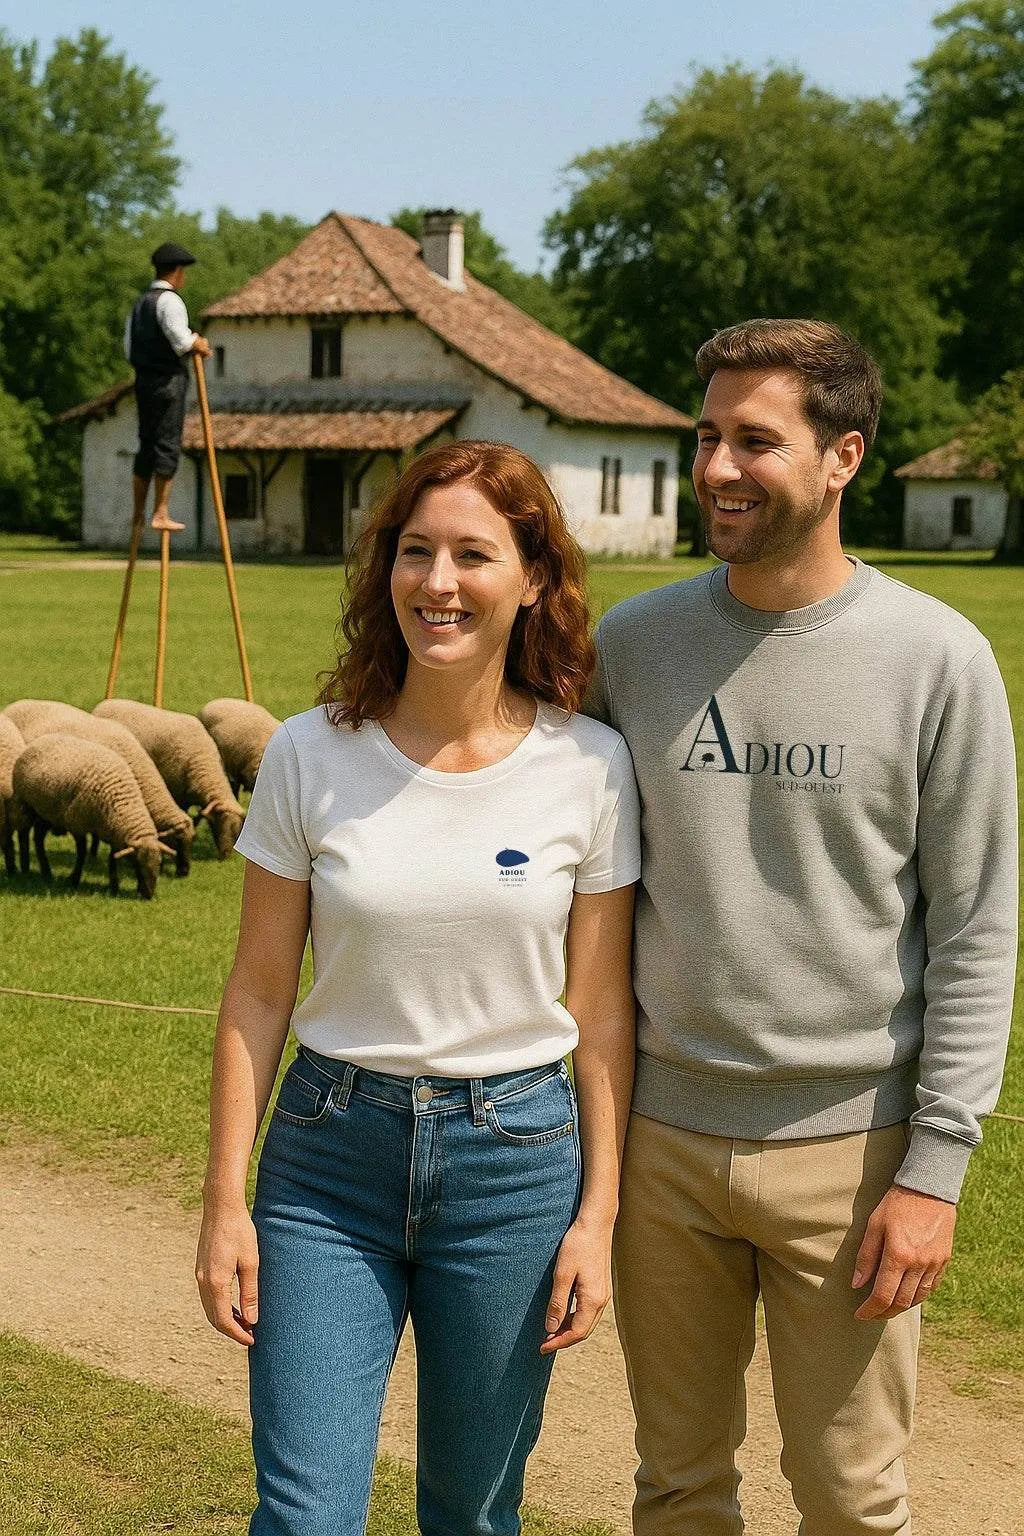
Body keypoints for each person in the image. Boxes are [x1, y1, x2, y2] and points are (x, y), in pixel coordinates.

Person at [587, 318, 1018, 1536]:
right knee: (674, 1490)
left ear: (843, 457)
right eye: (707, 436)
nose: (717, 466)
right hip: (662, 1143)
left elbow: (980, 929)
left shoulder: (937, 659)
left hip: (856, 1154)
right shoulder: (633, 645)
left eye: (755, 441)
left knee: (848, 1499)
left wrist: (933, 1173)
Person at [196, 440, 640, 1536]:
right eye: (414, 551)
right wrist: (221, 1202)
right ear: (384, 569)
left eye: (472, 555)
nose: (437, 582)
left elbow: (600, 1017)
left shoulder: (590, 766)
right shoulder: (308, 755)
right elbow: (256, 993)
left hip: (516, 1169)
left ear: (532, 578)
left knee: (472, 1512)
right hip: (325, 1164)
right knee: (303, 1516)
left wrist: (597, 1215)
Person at [125, 240, 212, 534]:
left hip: (143, 381)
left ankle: (138, 513)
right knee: (167, 443)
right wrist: (198, 343)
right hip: (168, 382)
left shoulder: (139, 305)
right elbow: (181, 340)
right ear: (176, 272)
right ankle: (160, 511)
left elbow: (128, 348)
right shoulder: (170, 301)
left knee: (146, 444)